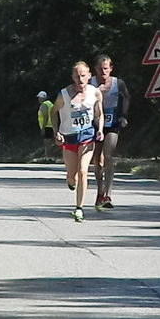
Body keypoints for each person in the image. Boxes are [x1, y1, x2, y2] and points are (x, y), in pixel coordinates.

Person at [51, 61, 104, 222]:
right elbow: (53, 112)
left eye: (83, 75)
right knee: (72, 176)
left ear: (89, 76)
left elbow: (99, 114)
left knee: (83, 171)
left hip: (87, 136)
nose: (80, 79)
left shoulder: (95, 93)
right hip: (68, 137)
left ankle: (79, 208)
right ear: (73, 77)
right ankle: (70, 181)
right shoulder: (64, 94)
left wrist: (100, 129)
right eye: (77, 76)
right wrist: (56, 132)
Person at [90, 54, 131, 210]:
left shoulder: (118, 83)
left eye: (106, 69)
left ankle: (108, 194)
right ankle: (99, 191)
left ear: (111, 69)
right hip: (95, 124)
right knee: (97, 160)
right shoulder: (90, 83)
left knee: (108, 155)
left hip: (112, 123)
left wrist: (123, 115)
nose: (103, 72)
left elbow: (127, 96)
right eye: (100, 69)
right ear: (95, 70)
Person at [36, 91, 54, 158]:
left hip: (47, 126)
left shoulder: (44, 105)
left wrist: (43, 128)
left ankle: (48, 157)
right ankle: (49, 156)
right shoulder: (50, 104)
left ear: (43, 98)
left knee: (47, 143)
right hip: (52, 125)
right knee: (50, 143)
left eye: (39, 98)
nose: (38, 99)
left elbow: (45, 116)